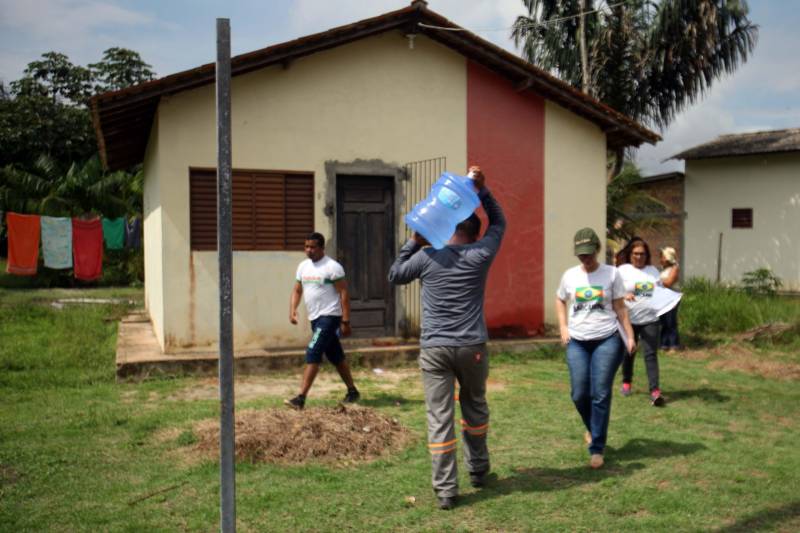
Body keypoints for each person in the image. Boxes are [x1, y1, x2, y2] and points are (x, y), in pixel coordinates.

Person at [388, 166, 505, 511]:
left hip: (435, 349)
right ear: (474, 232)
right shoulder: (481, 255)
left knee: (439, 418)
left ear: (450, 226)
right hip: (472, 347)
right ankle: (479, 470)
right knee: (475, 407)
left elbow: (394, 275)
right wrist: (483, 191)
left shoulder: (426, 256)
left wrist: (414, 240)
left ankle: (446, 491)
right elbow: (499, 223)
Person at [555, 228, 636, 469]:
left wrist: (630, 337)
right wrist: (563, 326)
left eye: (589, 254)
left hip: (607, 339)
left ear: (597, 250)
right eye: (581, 255)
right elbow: (560, 299)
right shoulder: (569, 276)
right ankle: (593, 427)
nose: (586, 259)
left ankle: (597, 447)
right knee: (579, 393)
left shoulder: (611, 274)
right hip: (577, 341)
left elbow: (620, 308)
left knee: (600, 392)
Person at [285, 232, 360, 410]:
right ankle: (352, 391)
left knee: (313, 352)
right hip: (315, 318)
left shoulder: (332, 267)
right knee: (335, 356)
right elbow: (297, 290)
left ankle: (300, 399)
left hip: (330, 316)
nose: (308, 250)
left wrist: (346, 321)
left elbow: (344, 293)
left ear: (321, 248)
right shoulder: (303, 266)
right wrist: (293, 310)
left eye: (312, 247)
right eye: (306, 247)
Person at [617, 238, 665, 406]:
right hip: (628, 319)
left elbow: (660, 291)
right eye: (636, 254)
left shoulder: (653, 271)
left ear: (647, 255)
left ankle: (654, 390)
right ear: (630, 255)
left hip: (650, 319)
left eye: (642, 254)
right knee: (629, 351)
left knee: (651, 354)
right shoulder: (623, 270)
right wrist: (624, 295)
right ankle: (626, 382)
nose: (639, 257)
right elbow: (613, 291)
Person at [659, 246, 682, 351]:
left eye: (663, 257)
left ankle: (674, 345)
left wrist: (656, 282)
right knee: (664, 321)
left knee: (670, 321)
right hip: (664, 298)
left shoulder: (675, 268)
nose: (661, 259)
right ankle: (664, 344)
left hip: (672, 298)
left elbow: (668, 283)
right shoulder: (664, 270)